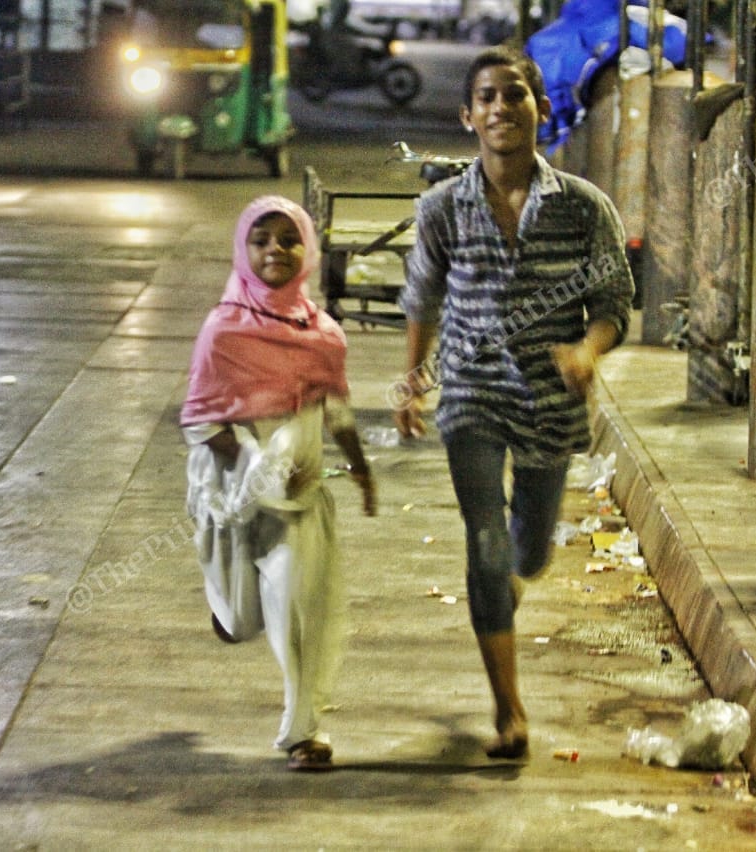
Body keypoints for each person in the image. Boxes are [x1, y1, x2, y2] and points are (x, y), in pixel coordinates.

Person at [394, 46, 634, 759]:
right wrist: (412, 383)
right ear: (469, 116)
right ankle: (509, 711)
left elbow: (615, 302)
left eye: (516, 96)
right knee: (486, 544)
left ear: (541, 109)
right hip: (472, 395)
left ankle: (510, 584)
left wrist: (588, 351)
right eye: (488, 98)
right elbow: (422, 298)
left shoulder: (584, 208)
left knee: (527, 553)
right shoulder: (442, 208)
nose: (502, 108)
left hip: (551, 405)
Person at [181, 195, 376, 772]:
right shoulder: (222, 331)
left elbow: (335, 409)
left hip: (299, 497)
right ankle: (228, 608)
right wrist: (254, 461)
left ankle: (303, 731)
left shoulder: (324, 336)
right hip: (230, 493)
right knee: (243, 619)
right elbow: (199, 418)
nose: (275, 251)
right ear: (244, 249)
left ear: (307, 250)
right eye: (261, 240)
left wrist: (360, 469)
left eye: (288, 239)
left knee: (296, 607)